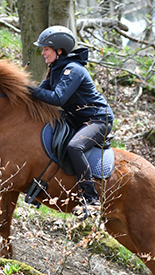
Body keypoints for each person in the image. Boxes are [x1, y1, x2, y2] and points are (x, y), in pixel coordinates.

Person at [29, 26, 114, 219]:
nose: (42, 53)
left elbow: (58, 98)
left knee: (75, 147)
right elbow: (40, 94)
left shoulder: (73, 70)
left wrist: (30, 89)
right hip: (77, 119)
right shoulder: (55, 70)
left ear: (59, 51)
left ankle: (91, 200)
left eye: (46, 49)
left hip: (98, 119)